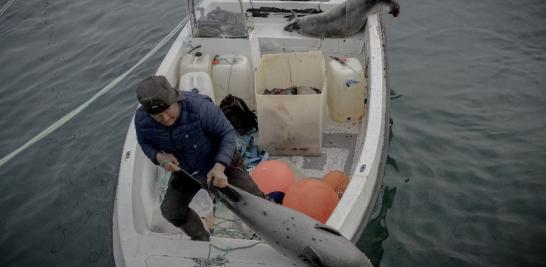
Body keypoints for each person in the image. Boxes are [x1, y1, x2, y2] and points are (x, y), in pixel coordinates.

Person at [134, 75, 263, 241]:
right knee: (171, 211)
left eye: (167, 110)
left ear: (176, 99)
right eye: (158, 116)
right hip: (186, 171)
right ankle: (201, 239)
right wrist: (159, 156)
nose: (165, 119)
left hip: (221, 163)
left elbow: (227, 134)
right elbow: (144, 142)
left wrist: (220, 166)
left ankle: (270, 234)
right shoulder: (141, 120)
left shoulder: (201, 107)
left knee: (255, 202)